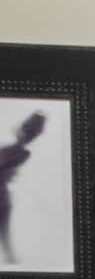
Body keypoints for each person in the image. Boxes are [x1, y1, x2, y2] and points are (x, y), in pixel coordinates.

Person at [0, 108, 46, 266]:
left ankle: (11, 263)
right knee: (6, 241)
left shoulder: (21, 153)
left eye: (32, 134)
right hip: (3, 199)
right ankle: (11, 262)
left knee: (6, 241)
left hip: (3, 199)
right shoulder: (15, 151)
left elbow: (5, 167)